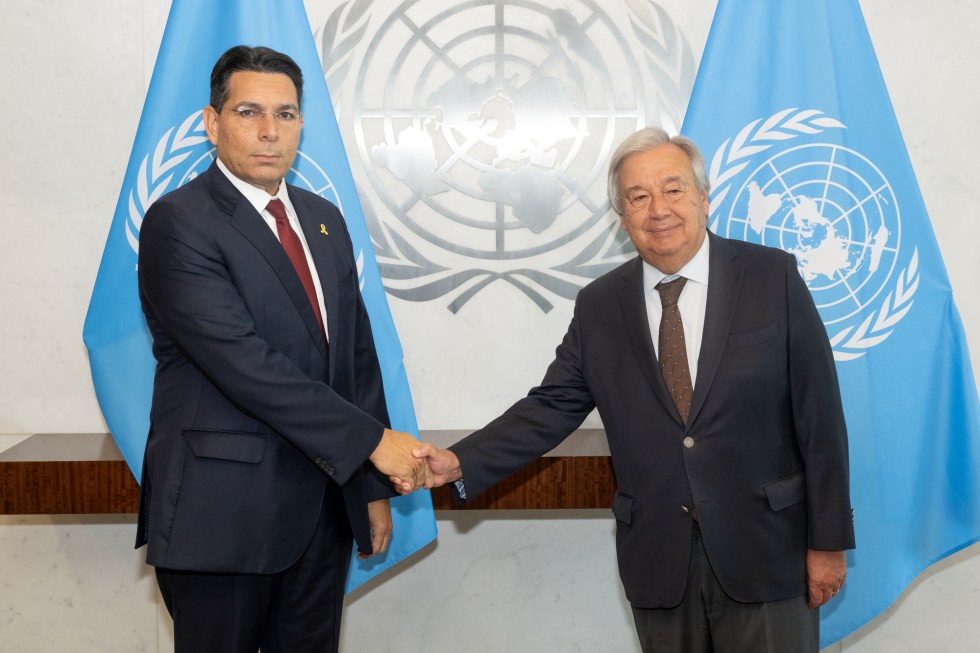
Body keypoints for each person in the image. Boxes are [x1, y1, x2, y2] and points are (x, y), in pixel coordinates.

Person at [398, 128, 855, 652]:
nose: (658, 208)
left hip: (768, 553)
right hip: (661, 563)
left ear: (704, 199)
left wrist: (828, 543)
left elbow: (821, 421)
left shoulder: (772, 277)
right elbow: (550, 407)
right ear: (623, 219)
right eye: (639, 197)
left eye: (673, 189)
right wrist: (459, 462)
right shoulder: (600, 305)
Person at [136, 45, 427, 653]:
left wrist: (368, 488)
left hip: (321, 514)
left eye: (287, 114)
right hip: (223, 517)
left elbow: (355, 360)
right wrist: (374, 444)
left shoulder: (324, 219)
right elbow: (244, 364)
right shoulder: (179, 222)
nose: (270, 131)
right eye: (248, 112)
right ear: (213, 123)